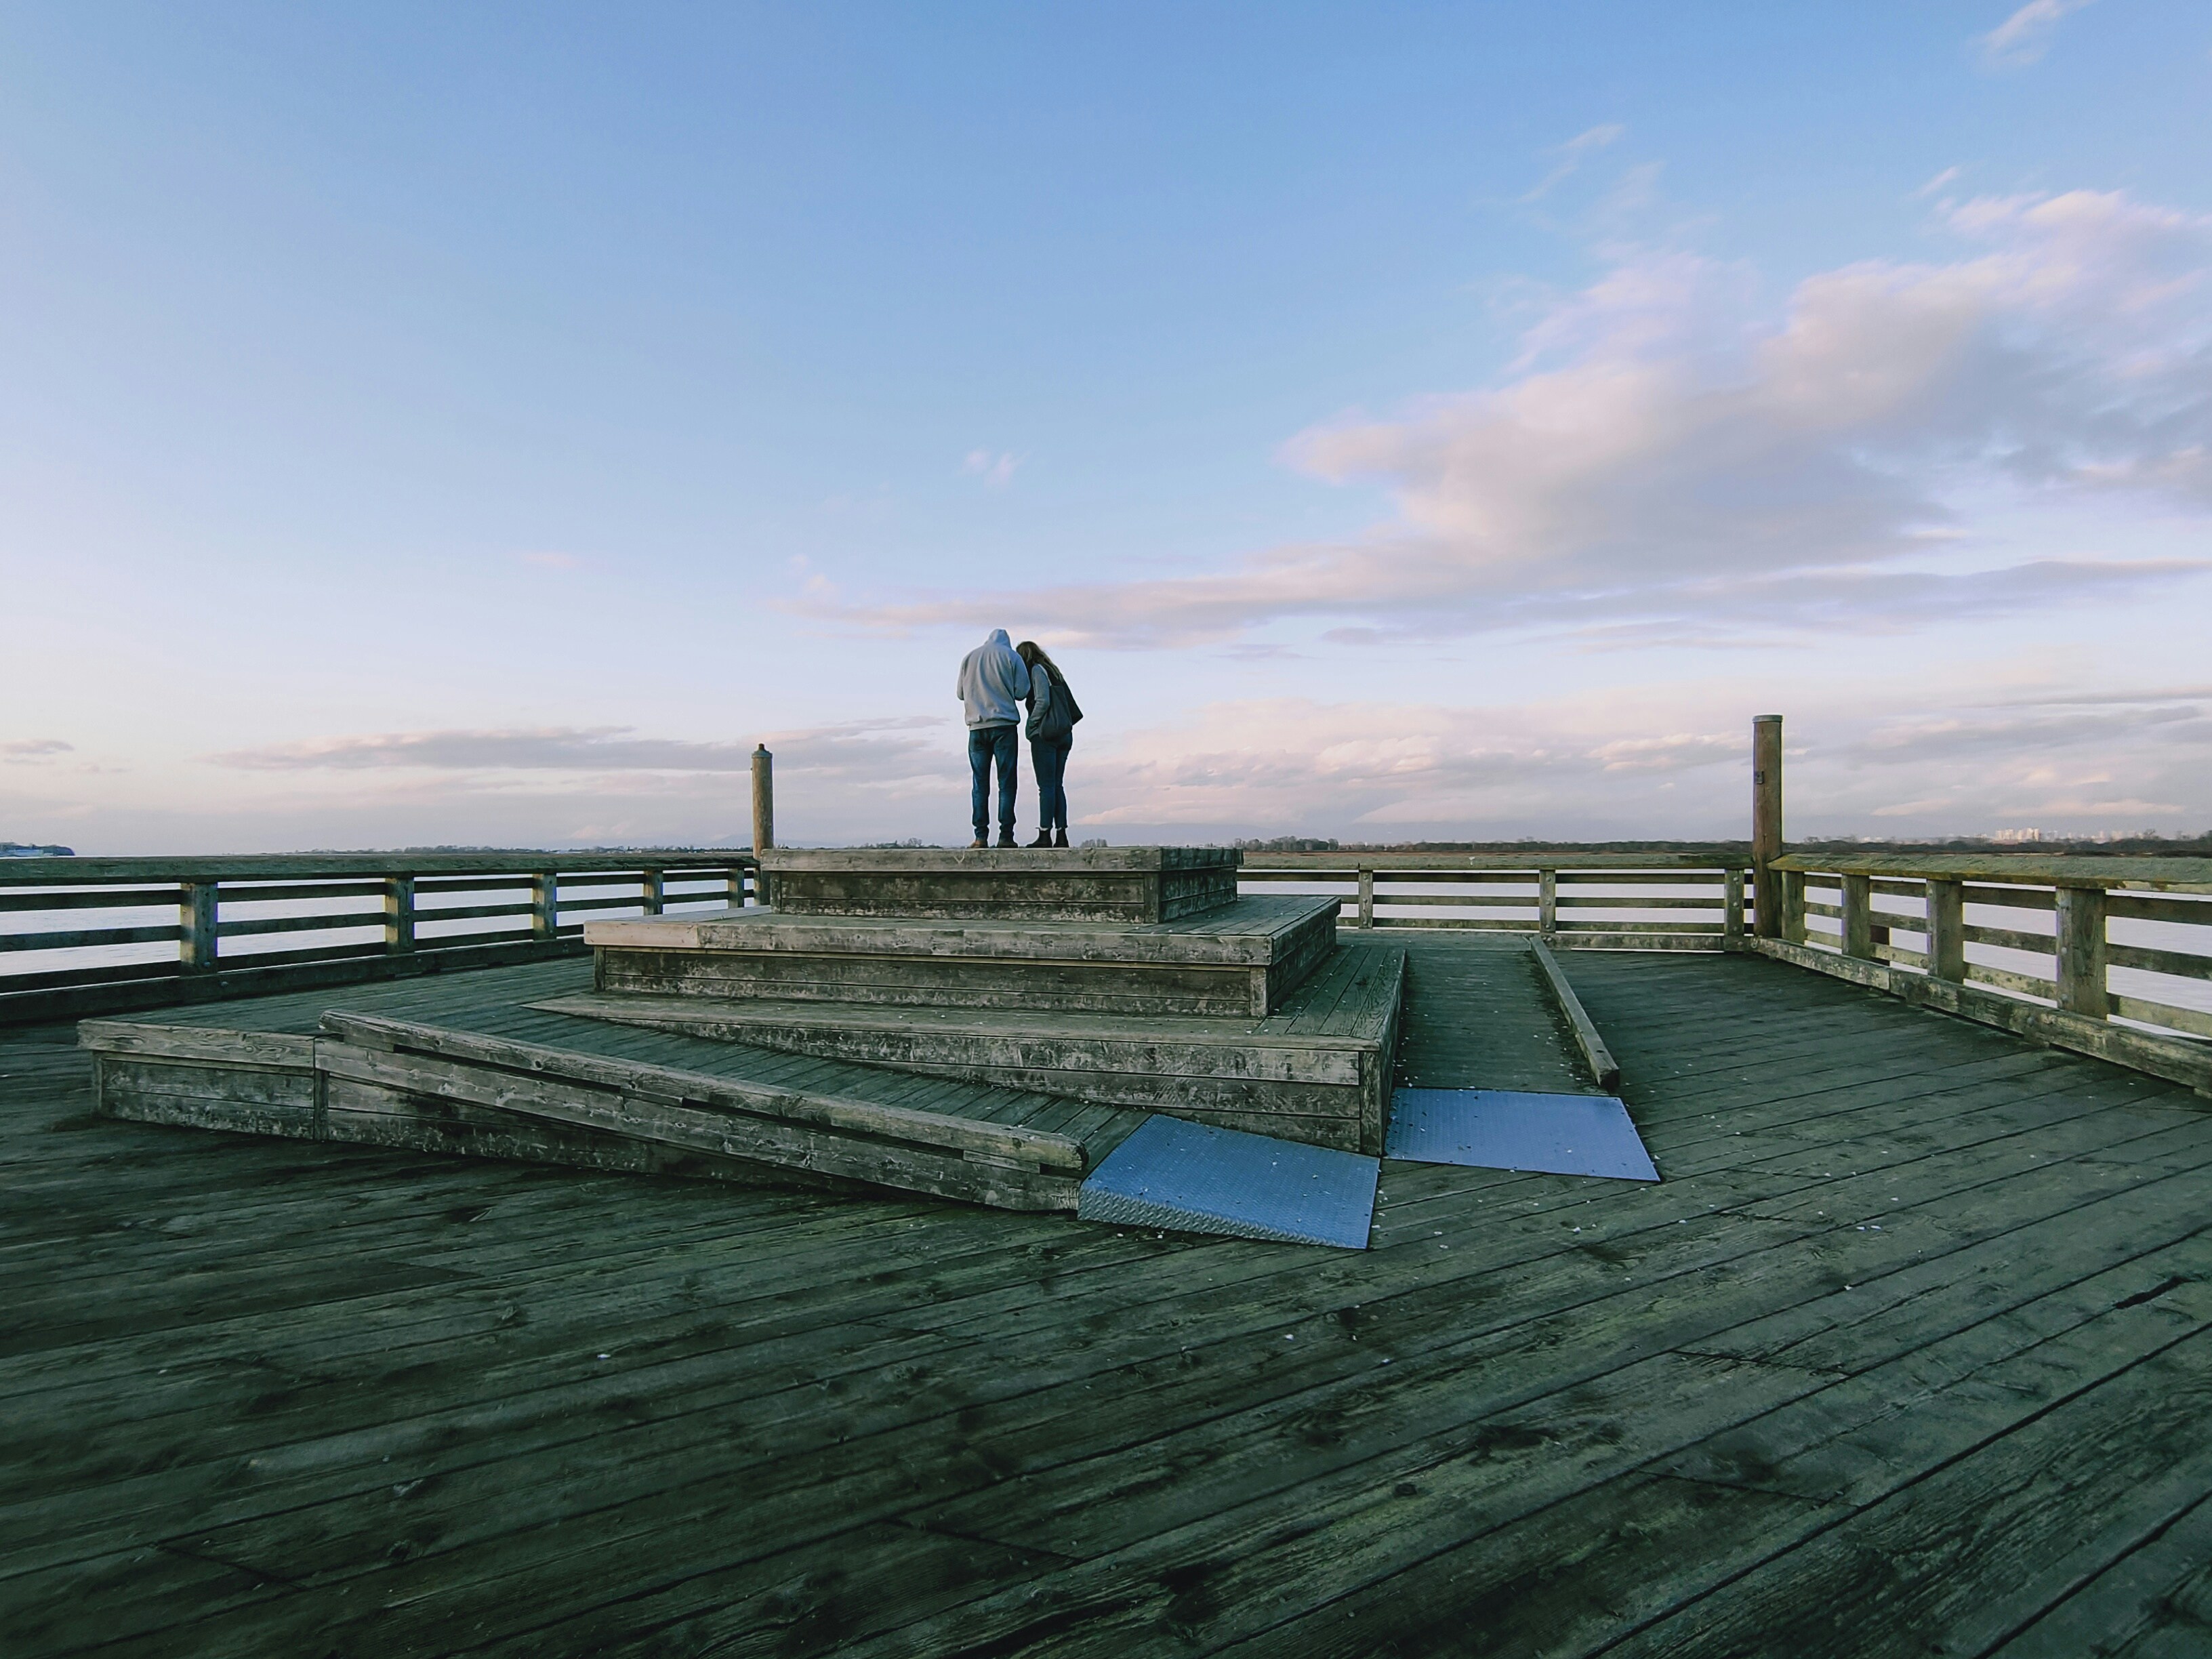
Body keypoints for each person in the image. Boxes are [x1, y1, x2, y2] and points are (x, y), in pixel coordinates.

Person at [956, 628, 1029, 847]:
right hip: (1004, 726)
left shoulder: (970, 657)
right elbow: (1021, 691)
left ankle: (980, 836)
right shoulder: (1011, 657)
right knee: (1006, 783)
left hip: (976, 728)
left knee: (980, 784)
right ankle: (1006, 836)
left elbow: (960, 694)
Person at [1016, 640, 1082, 848]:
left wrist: (1030, 726)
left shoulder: (1036, 671)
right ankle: (1061, 835)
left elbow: (1043, 700)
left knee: (1046, 787)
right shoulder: (1054, 672)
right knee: (1057, 785)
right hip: (1064, 733)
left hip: (1046, 734)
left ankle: (1045, 835)